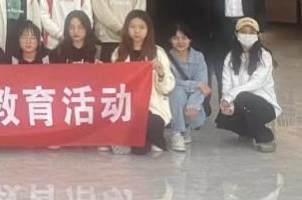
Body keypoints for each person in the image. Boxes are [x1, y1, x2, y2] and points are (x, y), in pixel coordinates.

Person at [203, 0, 266, 104]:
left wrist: (260, 27)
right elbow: (206, 4)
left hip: (246, 25)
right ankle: (225, 107)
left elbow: (259, 1)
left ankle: (245, 107)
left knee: (247, 68)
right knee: (222, 69)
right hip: (221, 26)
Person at [111, 10, 173, 155]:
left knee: (151, 124)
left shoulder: (158, 52)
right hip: (127, 105)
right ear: (126, 29)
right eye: (132, 27)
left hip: (152, 106)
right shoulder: (119, 53)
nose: (137, 31)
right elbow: (114, 84)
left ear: (148, 30)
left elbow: (167, 88)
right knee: (140, 147)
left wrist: (161, 73)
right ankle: (148, 139)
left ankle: (149, 138)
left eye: (142, 27)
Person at [216, 17, 280, 152]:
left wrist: (231, 96)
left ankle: (266, 136)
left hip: (264, 106)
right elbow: (226, 84)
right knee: (223, 119)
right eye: (243, 31)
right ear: (236, 34)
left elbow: (256, 83)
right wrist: (226, 103)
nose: (247, 35)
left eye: (251, 32)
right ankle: (249, 130)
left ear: (258, 35)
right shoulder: (230, 57)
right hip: (241, 102)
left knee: (243, 96)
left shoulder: (264, 56)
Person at [166, 23, 209, 152]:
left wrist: (193, 104)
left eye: (184, 38)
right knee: (176, 91)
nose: (180, 42)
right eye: (175, 38)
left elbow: (203, 85)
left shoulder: (199, 57)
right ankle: (177, 133)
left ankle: (185, 127)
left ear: (190, 39)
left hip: (193, 102)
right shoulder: (165, 57)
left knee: (197, 118)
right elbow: (170, 83)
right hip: (172, 101)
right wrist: (194, 84)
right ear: (170, 40)